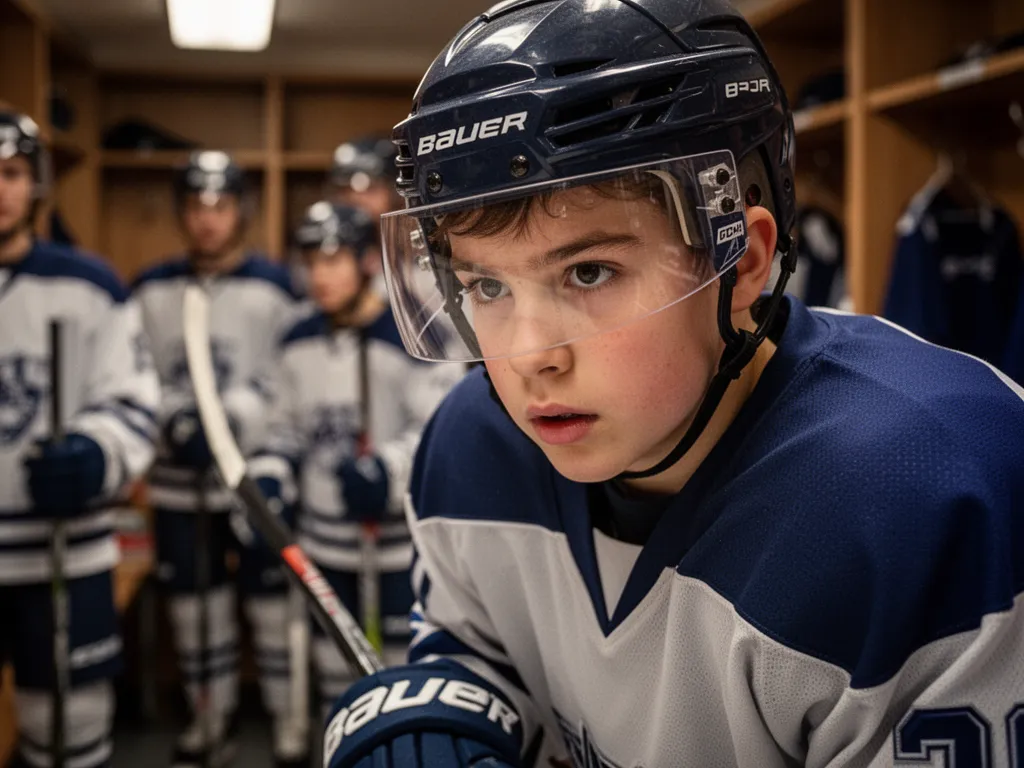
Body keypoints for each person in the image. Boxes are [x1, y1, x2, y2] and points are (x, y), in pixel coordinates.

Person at [321, 2, 1024, 767]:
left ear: (744, 261)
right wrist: (451, 714)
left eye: (588, 272)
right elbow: (483, 652)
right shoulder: (471, 445)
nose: (529, 358)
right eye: (486, 286)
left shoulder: (935, 490)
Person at [251, 201, 463, 720]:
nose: (320, 275)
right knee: (335, 674)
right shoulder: (296, 337)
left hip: (393, 548)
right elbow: (282, 429)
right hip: (323, 544)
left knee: (397, 676)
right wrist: (272, 478)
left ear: (367, 260)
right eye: (312, 261)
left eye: (335, 260)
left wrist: (387, 471)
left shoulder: (413, 332)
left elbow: (441, 430)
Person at [130, 151, 306, 767]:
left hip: (253, 478)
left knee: (269, 599)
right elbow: (137, 379)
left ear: (241, 211)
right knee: (194, 607)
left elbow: (293, 377)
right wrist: (173, 419)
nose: (208, 219)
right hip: (179, 484)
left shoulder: (277, 288)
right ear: (182, 213)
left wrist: (235, 418)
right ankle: (211, 717)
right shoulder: (151, 290)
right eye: (196, 206)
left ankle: (287, 720)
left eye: (220, 205)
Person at [0, 109, 160, 768]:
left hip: (65, 554)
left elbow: (131, 401)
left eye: (9, 174)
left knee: (69, 729)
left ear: (34, 184)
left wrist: (96, 455)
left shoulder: (88, 285)